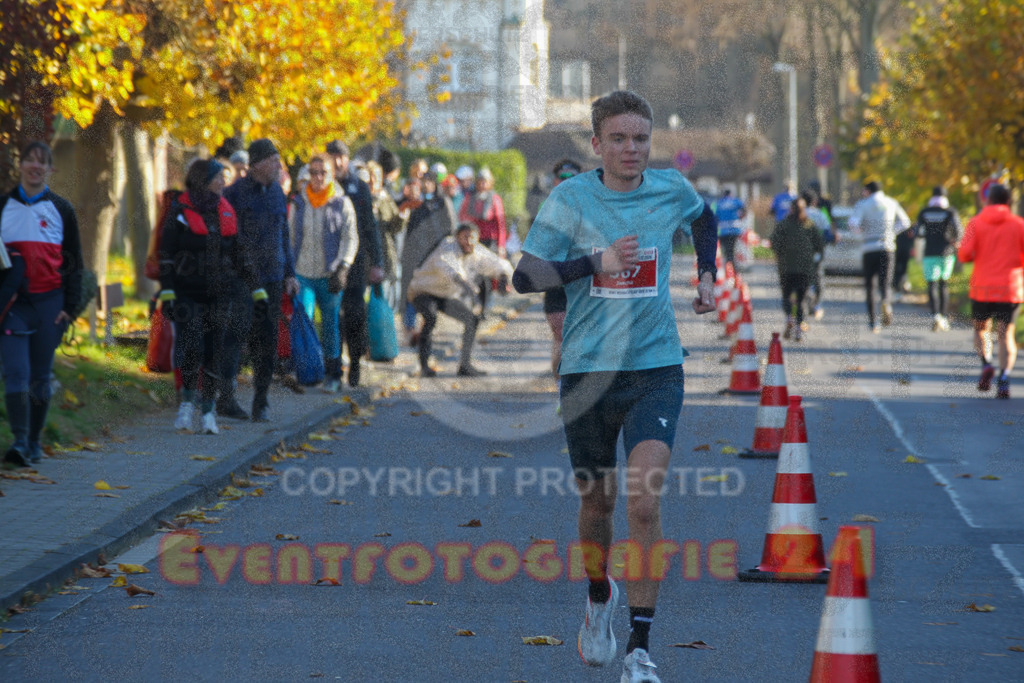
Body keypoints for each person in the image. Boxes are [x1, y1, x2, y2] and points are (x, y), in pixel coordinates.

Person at [512, 90, 718, 683]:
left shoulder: (669, 189)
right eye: (620, 139)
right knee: (597, 503)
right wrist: (592, 263)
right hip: (587, 373)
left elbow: (703, 220)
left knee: (644, 502)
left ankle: (640, 648)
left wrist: (707, 275)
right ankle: (599, 592)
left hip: (656, 369)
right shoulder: (570, 198)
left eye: (642, 139)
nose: (632, 149)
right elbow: (526, 276)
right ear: (597, 143)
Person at [158, 159, 261, 434]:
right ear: (203, 179)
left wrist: (256, 287)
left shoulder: (224, 211)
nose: (223, 183)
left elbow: (238, 252)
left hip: (219, 292)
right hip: (186, 293)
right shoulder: (180, 210)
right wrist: (167, 290)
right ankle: (187, 404)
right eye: (219, 178)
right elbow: (166, 252)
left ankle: (208, 411)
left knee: (214, 349)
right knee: (193, 346)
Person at [0, 141, 83, 466]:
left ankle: (35, 441)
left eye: (42, 162)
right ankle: (19, 442)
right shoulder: (3, 206)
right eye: (29, 160)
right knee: (16, 373)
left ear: (51, 169)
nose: (35, 166)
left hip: (51, 303)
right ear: (20, 165)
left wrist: (70, 308)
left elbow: (75, 263)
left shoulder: (62, 209)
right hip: (14, 307)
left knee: (39, 377)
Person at [222, 138, 300, 422]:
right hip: (243, 279)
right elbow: (228, 237)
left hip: (272, 276)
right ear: (255, 164)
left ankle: (261, 399)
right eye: (272, 160)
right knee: (237, 333)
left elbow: (284, 236)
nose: (278, 165)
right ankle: (226, 396)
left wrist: (290, 272)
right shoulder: (234, 194)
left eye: (279, 160)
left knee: (266, 339)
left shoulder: (278, 193)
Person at [290, 153, 358, 392]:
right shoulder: (299, 202)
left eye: (323, 172)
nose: (317, 177)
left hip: (330, 274)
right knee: (304, 317)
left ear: (331, 175)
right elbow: (290, 237)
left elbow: (351, 238)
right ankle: (308, 369)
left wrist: (344, 267)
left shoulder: (341, 202)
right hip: (303, 271)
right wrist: (289, 271)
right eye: (313, 172)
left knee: (330, 325)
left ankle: (333, 374)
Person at [408, 223, 512, 377]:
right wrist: (467, 286)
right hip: (423, 291)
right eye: (465, 237)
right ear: (457, 237)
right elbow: (449, 268)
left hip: (446, 295)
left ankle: (465, 365)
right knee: (430, 317)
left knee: (472, 319)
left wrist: (503, 276)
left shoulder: (475, 250)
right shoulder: (448, 246)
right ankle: (424, 366)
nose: (469, 241)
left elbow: (495, 262)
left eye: (473, 238)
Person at [957, 183, 1024, 399]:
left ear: (987, 200)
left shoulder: (975, 223)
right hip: (1010, 288)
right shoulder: (1019, 224)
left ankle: (986, 363)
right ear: (1009, 202)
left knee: (980, 329)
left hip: (982, 288)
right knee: (1006, 335)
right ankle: (1004, 377)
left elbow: (964, 255)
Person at [326, 139, 385, 387]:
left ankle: (356, 363)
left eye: (341, 157)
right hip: (328, 262)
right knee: (331, 315)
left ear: (347, 159)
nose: (338, 162)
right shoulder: (322, 186)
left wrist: (377, 261)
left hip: (356, 261)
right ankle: (334, 367)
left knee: (354, 315)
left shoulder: (359, 187)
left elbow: (370, 227)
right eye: (333, 157)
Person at [399, 169, 457, 345]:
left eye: (428, 181)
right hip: (416, 256)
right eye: (422, 181)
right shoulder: (417, 203)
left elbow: (451, 228)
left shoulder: (443, 202)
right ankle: (410, 330)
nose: (424, 184)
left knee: (431, 292)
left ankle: (427, 327)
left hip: (435, 255)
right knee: (411, 291)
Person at [538, 159, 582, 381]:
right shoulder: (547, 207)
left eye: (572, 177)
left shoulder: (589, 207)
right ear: (555, 181)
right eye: (563, 177)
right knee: (560, 334)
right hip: (555, 280)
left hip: (583, 281)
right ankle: (561, 387)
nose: (568, 182)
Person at [848, 180, 912, 333]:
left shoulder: (863, 205)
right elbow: (905, 222)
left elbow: (853, 223)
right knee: (885, 282)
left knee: (870, 285)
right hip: (887, 246)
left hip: (869, 247)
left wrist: (862, 233)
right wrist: (891, 232)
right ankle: (885, 301)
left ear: (868, 191)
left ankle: (872, 322)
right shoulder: (891, 202)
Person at [770, 196, 825, 341]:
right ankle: (799, 328)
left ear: (791, 209)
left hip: (786, 268)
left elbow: (774, 242)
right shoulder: (809, 225)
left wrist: (780, 254)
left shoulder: (783, 225)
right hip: (805, 269)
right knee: (801, 300)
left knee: (787, 296)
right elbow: (819, 245)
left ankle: (789, 317)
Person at [460, 167, 507, 316]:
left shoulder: (494, 199)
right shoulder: (470, 198)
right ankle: (477, 304)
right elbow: (462, 217)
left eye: (484, 181)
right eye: (479, 181)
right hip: (474, 242)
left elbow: (500, 224)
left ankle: (485, 307)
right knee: (475, 275)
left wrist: (501, 246)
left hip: (489, 242)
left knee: (487, 276)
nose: (482, 184)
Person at [916, 186, 963, 332]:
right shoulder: (950, 212)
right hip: (946, 253)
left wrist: (926, 236)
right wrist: (955, 241)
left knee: (932, 284)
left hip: (929, 253)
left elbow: (917, 231)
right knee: (943, 284)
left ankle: (935, 314)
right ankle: (943, 316)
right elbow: (958, 231)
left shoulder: (924, 212)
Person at [802, 189, 834, 321]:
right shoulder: (820, 215)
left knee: (803, 278)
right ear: (815, 201)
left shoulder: (799, 215)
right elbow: (828, 234)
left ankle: (804, 301)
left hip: (801, 253)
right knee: (818, 277)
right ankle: (816, 304)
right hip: (816, 253)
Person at [714, 188, 746, 269]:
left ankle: (728, 267)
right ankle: (732, 268)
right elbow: (744, 210)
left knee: (726, 251)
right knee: (732, 249)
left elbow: (716, 217)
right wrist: (740, 217)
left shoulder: (719, 203)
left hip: (723, 231)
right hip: (734, 230)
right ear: (730, 194)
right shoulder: (736, 201)